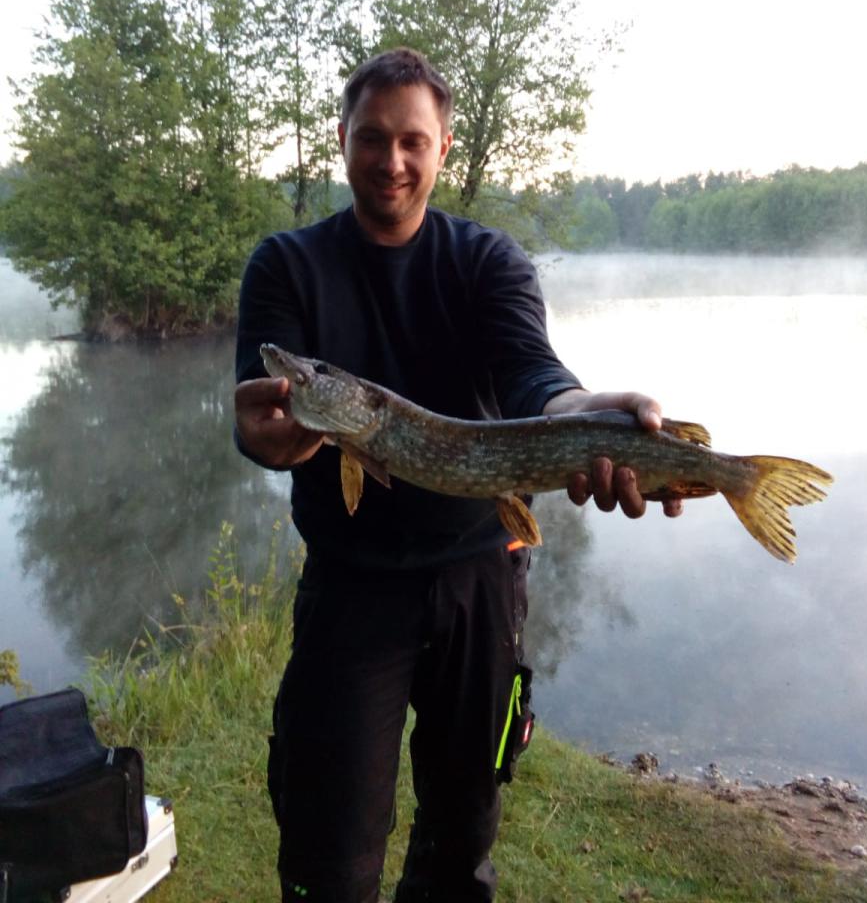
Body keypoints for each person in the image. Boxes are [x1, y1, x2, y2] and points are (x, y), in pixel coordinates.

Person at [234, 48, 682, 903]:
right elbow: (260, 417)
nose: (391, 160)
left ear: (443, 147)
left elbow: (532, 375)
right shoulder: (286, 265)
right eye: (372, 138)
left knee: (461, 835)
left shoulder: (488, 260)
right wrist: (268, 440)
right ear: (342, 138)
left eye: (413, 141)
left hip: (482, 576)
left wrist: (589, 414)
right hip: (352, 588)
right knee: (329, 848)